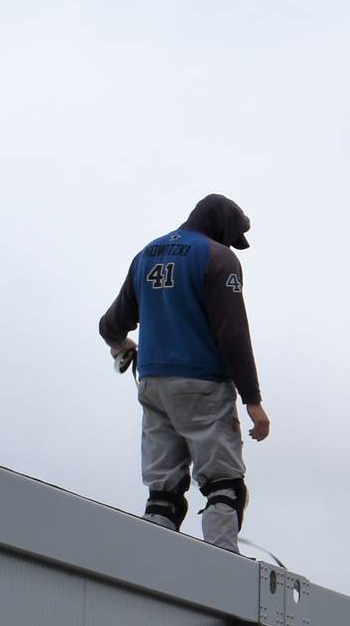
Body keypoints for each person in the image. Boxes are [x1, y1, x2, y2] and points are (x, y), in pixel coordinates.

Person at [100, 194, 270, 549]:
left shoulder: (146, 255)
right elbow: (233, 333)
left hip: (153, 384)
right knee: (224, 486)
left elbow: (111, 324)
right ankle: (221, 567)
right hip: (202, 384)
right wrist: (252, 401)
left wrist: (121, 345)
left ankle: (153, 563)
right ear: (221, 226)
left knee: (163, 491)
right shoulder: (219, 258)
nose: (229, 244)